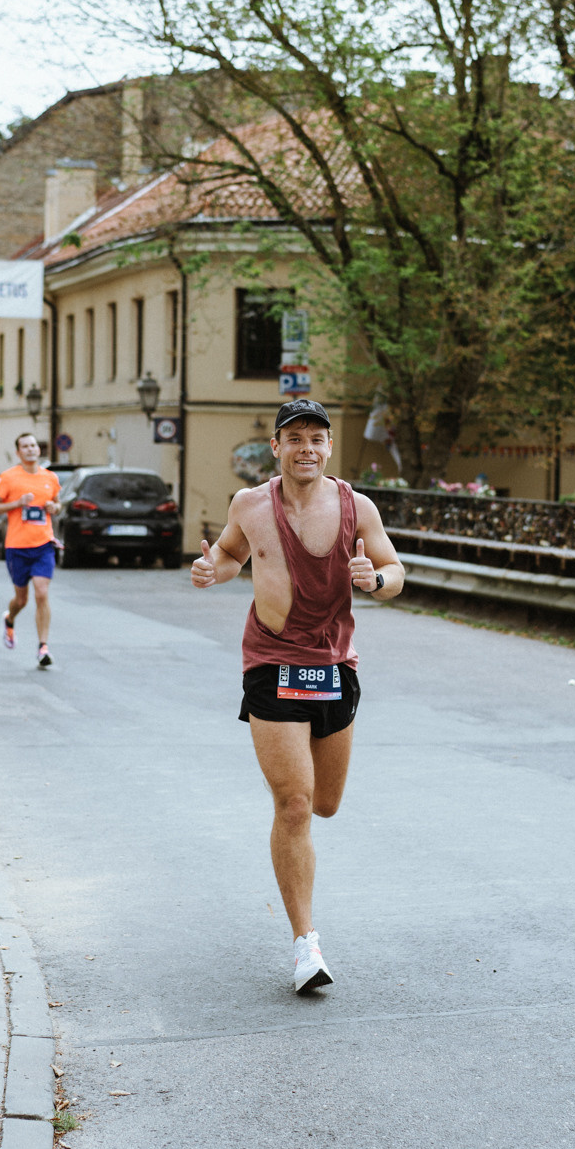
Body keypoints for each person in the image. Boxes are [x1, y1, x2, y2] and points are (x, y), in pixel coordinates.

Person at [191, 398, 404, 992]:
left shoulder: (356, 507)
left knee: (326, 803)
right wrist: (215, 571)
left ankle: (301, 870)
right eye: (295, 438)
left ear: (329, 447)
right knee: (294, 803)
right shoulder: (251, 504)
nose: (306, 448)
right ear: (277, 448)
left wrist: (376, 579)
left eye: (317, 438)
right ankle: (305, 946)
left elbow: (394, 571)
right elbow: (232, 553)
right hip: (272, 661)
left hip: (334, 664)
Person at [0, 432, 62, 668]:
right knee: (21, 600)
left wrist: (54, 506)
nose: (30, 449)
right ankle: (9, 620)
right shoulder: (9, 478)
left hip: (43, 545)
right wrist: (18, 503)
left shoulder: (50, 478)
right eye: (25, 446)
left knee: (42, 593)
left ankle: (43, 647)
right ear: (18, 452)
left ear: (38, 450)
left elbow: (58, 504)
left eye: (33, 445)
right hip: (17, 547)